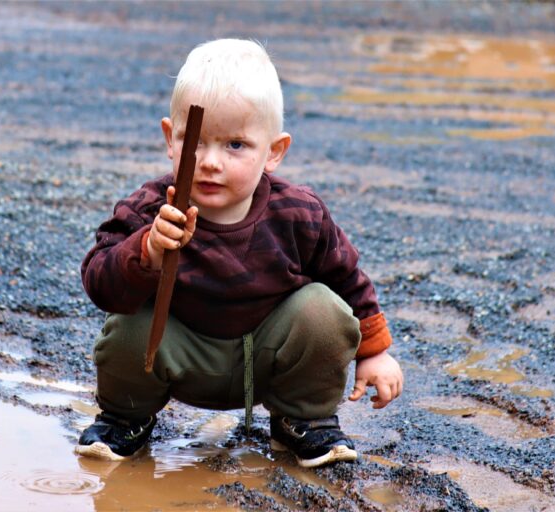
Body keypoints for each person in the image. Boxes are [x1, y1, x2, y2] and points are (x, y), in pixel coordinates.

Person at [75, 39, 403, 468]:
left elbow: (348, 278)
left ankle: (301, 421)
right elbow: (99, 281)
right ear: (170, 139)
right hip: (177, 355)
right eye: (195, 141)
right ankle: (125, 418)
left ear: (274, 152)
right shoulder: (150, 209)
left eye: (235, 145)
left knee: (324, 309)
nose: (211, 162)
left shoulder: (299, 213)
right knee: (128, 320)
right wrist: (149, 251)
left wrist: (374, 352)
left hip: (267, 361)